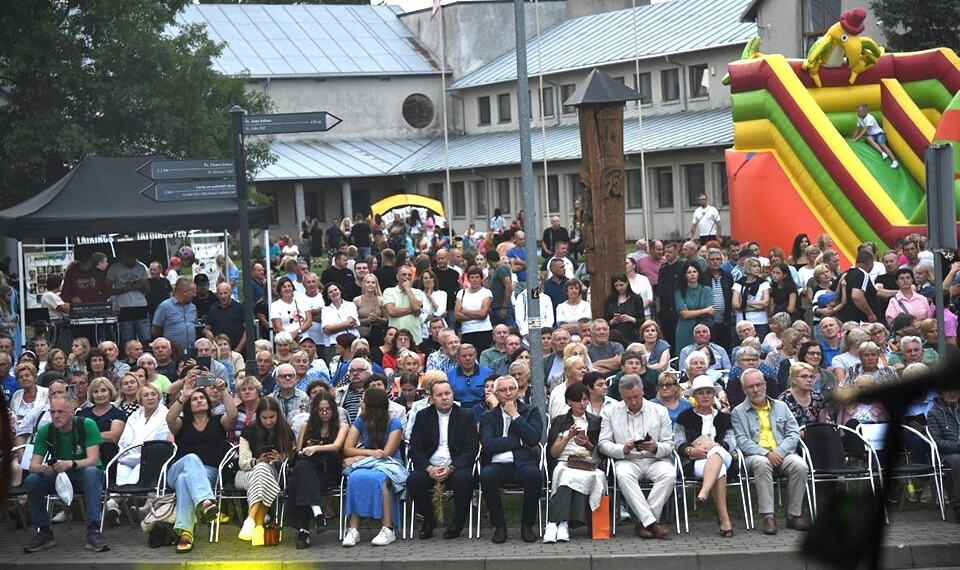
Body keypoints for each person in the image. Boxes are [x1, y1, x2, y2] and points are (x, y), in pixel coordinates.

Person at [22, 395, 109, 553]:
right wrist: (44, 468)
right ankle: (44, 531)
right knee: (32, 480)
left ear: (72, 411)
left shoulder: (86, 425)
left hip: (84, 473)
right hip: (60, 475)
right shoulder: (46, 431)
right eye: (53, 412)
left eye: (60, 412)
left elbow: (93, 460)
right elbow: (33, 465)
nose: (56, 416)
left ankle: (94, 531)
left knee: (91, 472)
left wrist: (71, 463)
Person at [731, 368, 810, 535]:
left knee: (800, 465)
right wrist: (766, 453)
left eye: (758, 385)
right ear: (744, 390)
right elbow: (741, 440)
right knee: (762, 463)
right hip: (755, 456)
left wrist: (779, 452)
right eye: (750, 387)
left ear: (765, 385)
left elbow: (793, 433)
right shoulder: (737, 412)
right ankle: (768, 516)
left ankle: (793, 515)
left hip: (783, 453)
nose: (756, 390)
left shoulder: (781, 406)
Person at [165, 372, 237, 552]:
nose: (198, 400)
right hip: (177, 468)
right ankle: (206, 502)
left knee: (185, 480)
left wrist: (223, 391)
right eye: (194, 399)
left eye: (201, 397)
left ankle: (186, 534)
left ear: (208, 402)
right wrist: (184, 395)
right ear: (189, 404)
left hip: (208, 474)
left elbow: (233, 416)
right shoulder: (182, 422)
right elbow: (169, 419)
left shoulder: (217, 422)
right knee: (190, 459)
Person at [598, 374, 675, 539]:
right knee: (623, 475)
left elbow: (670, 445)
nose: (633, 402)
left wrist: (656, 447)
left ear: (643, 392)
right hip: (627, 459)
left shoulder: (660, 411)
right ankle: (652, 523)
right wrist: (622, 449)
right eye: (628, 399)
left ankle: (644, 523)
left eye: (637, 397)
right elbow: (603, 443)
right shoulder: (610, 412)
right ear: (621, 396)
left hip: (655, 458)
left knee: (669, 474)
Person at [407, 379, 478, 540]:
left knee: (464, 479)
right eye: (439, 395)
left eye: (447, 393)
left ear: (453, 395)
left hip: (456, 466)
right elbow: (415, 449)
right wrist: (429, 468)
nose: (444, 398)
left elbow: (471, 449)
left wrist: (451, 467)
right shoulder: (423, 416)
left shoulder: (465, 416)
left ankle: (458, 523)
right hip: (430, 466)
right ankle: (429, 520)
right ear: (432, 398)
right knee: (414, 480)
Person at [478, 375, 544, 544]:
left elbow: (533, 438)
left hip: (524, 462)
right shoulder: (488, 417)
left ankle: (527, 526)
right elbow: (488, 445)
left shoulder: (531, 411)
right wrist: (519, 441)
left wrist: (515, 416)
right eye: (503, 390)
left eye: (511, 389)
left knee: (534, 476)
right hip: (498, 464)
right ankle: (499, 526)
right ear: (496, 393)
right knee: (486, 475)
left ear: (517, 391)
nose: (508, 393)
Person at [341, 387, 406, 547]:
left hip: (390, 464)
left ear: (373, 405)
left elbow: (387, 453)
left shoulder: (394, 423)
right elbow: (347, 448)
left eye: (364, 400)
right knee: (355, 477)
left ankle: (387, 528)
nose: (361, 403)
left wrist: (359, 456)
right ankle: (353, 529)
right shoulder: (361, 421)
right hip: (368, 462)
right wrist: (369, 453)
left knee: (379, 479)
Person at [674, 376, 736, 537]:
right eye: (701, 393)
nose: (706, 396)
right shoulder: (684, 417)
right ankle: (724, 518)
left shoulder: (724, 417)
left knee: (717, 453)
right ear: (695, 396)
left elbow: (731, 440)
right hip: (697, 460)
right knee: (719, 469)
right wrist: (690, 451)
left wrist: (718, 446)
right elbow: (678, 441)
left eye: (709, 392)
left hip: (724, 455)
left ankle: (704, 493)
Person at [543, 382, 605, 543]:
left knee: (594, 476)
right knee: (565, 474)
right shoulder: (560, 421)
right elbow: (553, 453)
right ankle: (558, 523)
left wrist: (587, 444)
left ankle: (559, 522)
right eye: (578, 400)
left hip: (588, 461)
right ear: (569, 402)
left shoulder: (595, 421)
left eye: (585, 400)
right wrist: (568, 437)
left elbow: (600, 451)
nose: (582, 404)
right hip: (565, 460)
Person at [236, 397, 296, 546]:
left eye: (272, 417)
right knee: (261, 470)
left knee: (263, 472)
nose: (268, 422)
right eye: (264, 418)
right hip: (246, 474)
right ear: (258, 416)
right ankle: (257, 526)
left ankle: (251, 520)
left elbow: (293, 458)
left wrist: (281, 458)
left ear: (278, 415)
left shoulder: (286, 431)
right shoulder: (248, 431)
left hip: (273, 474)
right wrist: (256, 461)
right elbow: (242, 463)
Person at [114, 382, 170, 486]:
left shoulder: (165, 415)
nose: (150, 398)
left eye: (153, 394)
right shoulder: (134, 416)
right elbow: (125, 440)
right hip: (128, 457)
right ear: (140, 399)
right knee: (119, 473)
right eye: (146, 395)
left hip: (150, 459)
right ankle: (116, 499)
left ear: (159, 397)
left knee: (138, 471)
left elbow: (159, 443)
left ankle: (117, 499)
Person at [106, 246, 151, 347]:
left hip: (141, 306)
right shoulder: (115, 268)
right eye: (129, 255)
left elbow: (147, 290)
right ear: (124, 256)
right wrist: (124, 289)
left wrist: (139, 286)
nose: (131, 258)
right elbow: (107, 290)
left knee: (145, 338)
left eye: (133, 255)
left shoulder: (141, 267)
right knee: (128, 340)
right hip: (124, 307)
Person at [151, 277, 198, 352]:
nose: (195, 295)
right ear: (184, 292)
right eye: (193, 292)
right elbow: (155, 330)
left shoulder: (193, 307)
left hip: (190, 350)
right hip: (172, 352)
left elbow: (194, 326)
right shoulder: (165, 306)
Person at [778, 362, 826, 427]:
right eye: (804, 376)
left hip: (815, 435)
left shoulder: (818, 398)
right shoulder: (783, 400)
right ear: (793, 380)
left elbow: (823, 426)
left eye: (811, 377)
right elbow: (781, 428)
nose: (809, 380)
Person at [732, 257, 771, 338]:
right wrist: (759, 307)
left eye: (758, 266)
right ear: (748, 268)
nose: (757, 268)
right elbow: (735, 304)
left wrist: (747, 303)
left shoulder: (764, 283)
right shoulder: (739, 283)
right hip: (742, 321)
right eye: (754, 266)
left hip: (760, 321)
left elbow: (765, 303)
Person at [852, 103, 898, 168]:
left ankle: (894, 161)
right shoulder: (859, 118)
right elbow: (857, 130)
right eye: (857, 112)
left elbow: (864, 130)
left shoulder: (870, 118)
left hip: (879, 134)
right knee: (868, 139)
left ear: (864, 112)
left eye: (859, 112)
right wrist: (852, 139)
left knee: (882, 144)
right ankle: (882, 153)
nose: (858, 113)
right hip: (872, 136)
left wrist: (856, 139)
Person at [605, 273, 644, 344]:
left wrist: (630, 319)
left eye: (621, 285)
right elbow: (605, 321)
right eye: (616, 286)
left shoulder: (636, 299)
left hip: (633, 335)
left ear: (627, 283)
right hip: (615, 337)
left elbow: (642, 320)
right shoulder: (610, 300)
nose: (619, 288)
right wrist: (613, 321)